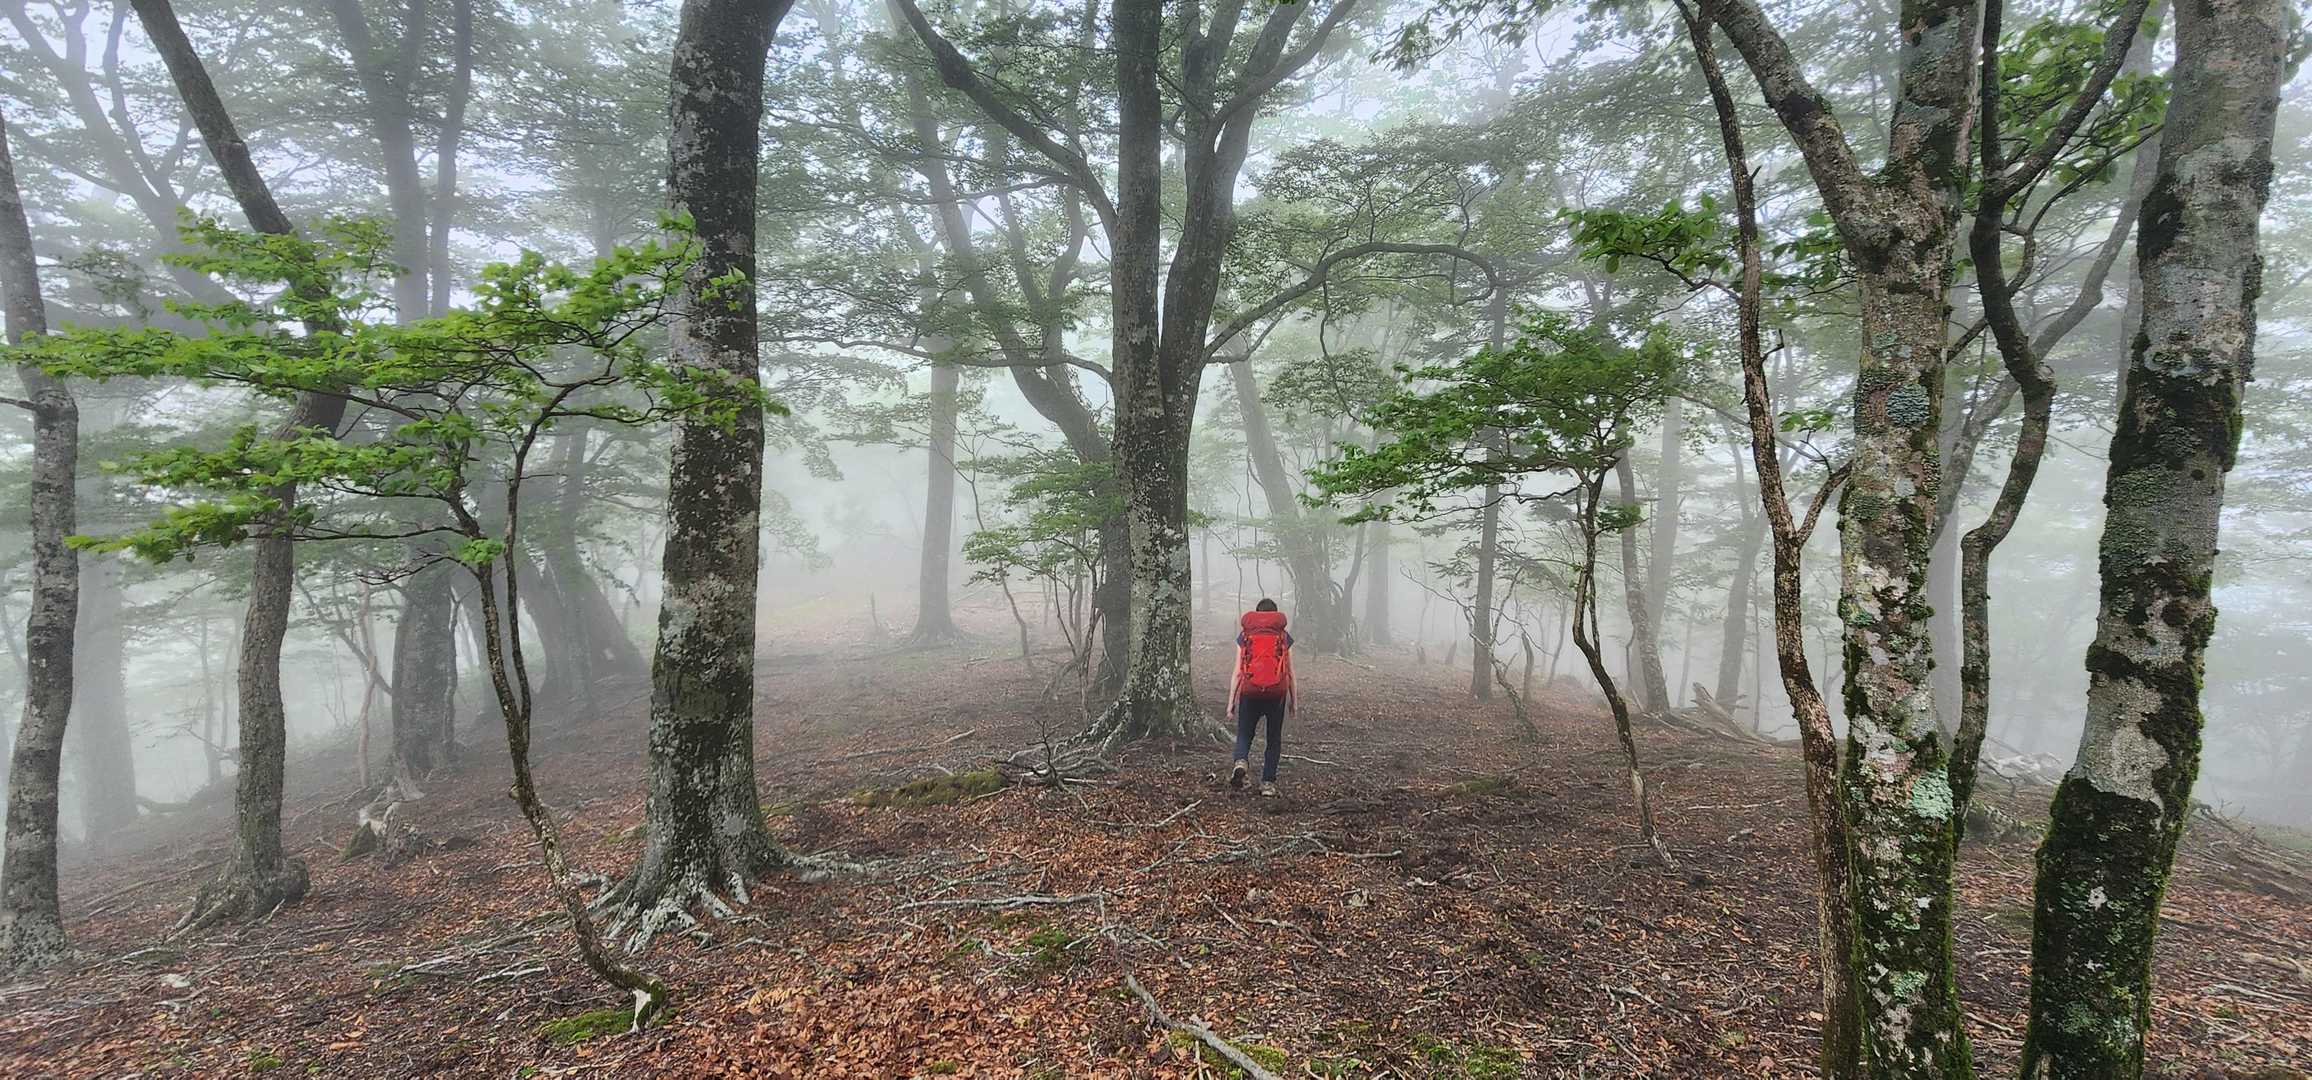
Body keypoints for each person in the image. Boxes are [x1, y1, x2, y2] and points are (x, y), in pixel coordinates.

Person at [1227, 598, 1295, 798]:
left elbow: (1238, 671)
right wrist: (1294, 702)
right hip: (1276, 694)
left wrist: (1231, 702)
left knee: (1244, 733)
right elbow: (1290, 672)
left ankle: (1241, 761)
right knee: (1273, 739)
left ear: (1257, 613)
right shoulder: (1283, 636)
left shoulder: (1245, 635)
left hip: (1250, 691)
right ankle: (1267, 784)